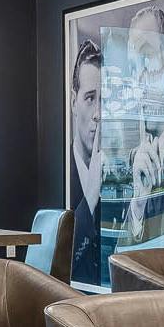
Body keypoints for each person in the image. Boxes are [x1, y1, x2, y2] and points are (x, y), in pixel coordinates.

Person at [118, 4, 164, 244]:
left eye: (146, 56)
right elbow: (121, 258)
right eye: (133, 67)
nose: (139, 77)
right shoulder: (136, 159)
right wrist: (138, 205)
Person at [67, 35, 106, 285]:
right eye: (90, 98)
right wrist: (90, 197)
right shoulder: (60, 175)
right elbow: (53, 266)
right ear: (74, 102)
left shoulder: (120, 174)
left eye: (105, 100)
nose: (98, 114)